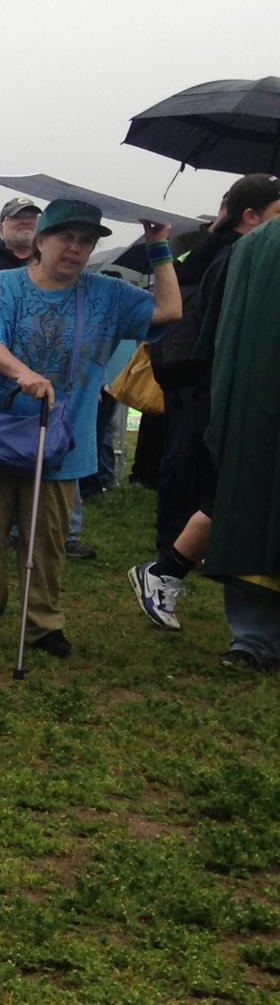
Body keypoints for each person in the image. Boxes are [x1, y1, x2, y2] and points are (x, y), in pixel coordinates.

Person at [0, 199, 178, 654]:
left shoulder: (107, 293)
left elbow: (169, 312)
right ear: (41, 241)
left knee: (48, 538)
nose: (75, 248)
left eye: (86, 241)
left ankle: (43, 623)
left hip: (63, 437)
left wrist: (159, 248)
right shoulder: (3, 286)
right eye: (65, 237)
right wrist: (24, 374)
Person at [128, 175, 280, 633]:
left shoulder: (225, 251)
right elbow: (210, 325)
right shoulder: (238, 257)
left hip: (214, 386)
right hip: (220, 388)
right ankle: (166, 569)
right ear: (250, 216)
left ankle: (168, 568)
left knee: (225, 487)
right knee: (225, 488)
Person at [195, 199, 280, 668]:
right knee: (255, 510)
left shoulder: (252, 247)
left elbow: (215, 340)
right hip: (260, 411)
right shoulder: (256, 248)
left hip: (253, 410)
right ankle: (253, 636)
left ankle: (253, 637)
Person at [0, 196, 41, 290]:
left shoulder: (50, 263)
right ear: (0, 227)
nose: (26, 221)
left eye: (32, 217)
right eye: (18, 217)